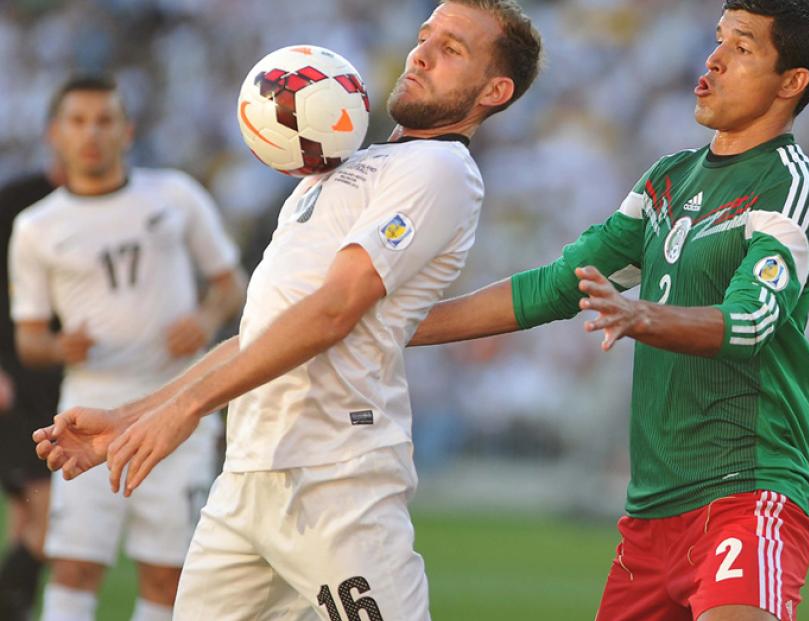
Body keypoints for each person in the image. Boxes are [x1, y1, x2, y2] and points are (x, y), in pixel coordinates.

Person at [34, 1, 542, 618]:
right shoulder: (337, 169)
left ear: (495, 89)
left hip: (334, 483)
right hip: (248, 477)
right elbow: (261, 334)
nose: (421, 54)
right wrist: (133, 416)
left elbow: (333, 312)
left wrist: (188, 411)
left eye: (452, 49)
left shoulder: (440, 169)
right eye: (424, 36)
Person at [406, 1, 809, 620]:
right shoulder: (668, 180)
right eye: (717, 40)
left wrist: (642, 318)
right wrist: (394, 327)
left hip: (748, 488)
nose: (712, 58)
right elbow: (558, 285)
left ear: (792, 82)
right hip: (652, 514)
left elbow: (748, 323)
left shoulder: (794, 186)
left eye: (741, 48)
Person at [10, 74, 246, 621]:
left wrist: (205, 316)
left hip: (178, 410)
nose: (91, 133)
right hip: (88, 411)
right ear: (55, 134)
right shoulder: (36, 227)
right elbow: (29, 340)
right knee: (74, 564)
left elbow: (231, 282)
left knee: (167, 572)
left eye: (105, 120)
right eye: (78, 121)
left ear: (128, 130)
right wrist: (58, 343)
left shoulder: (175, 195)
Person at [0, 162, 64, 621]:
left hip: (57, 379)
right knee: (47, 521)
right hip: (17, 384)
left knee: (25, 519)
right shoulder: (18, 201)